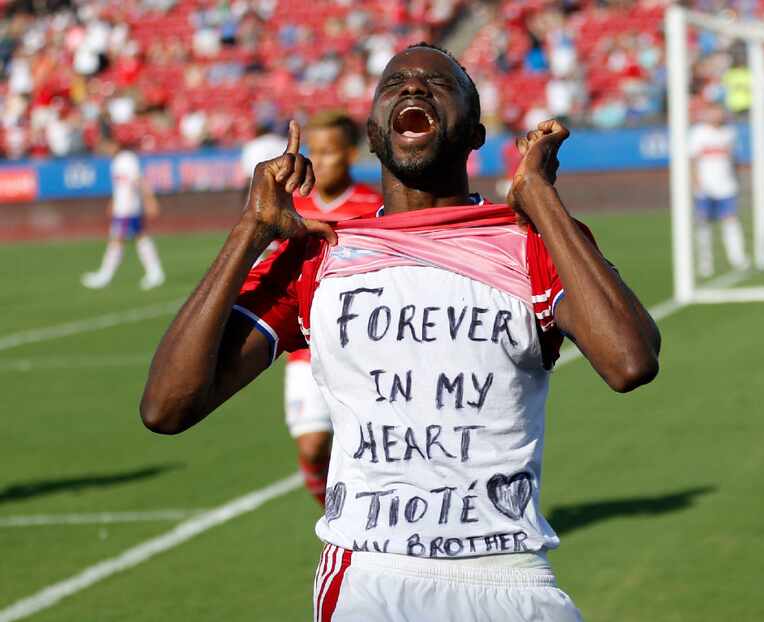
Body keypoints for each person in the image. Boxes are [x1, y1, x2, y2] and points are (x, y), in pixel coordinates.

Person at [141, 43, 660, 621]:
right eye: (396, 83)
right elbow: (168, 407)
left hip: (510, 577)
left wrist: (541, 198)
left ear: (475, 134)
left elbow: (629, 361)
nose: (413, 88)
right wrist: (249, 232)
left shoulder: (528, 240)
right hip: (370, 581)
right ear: (372, 132)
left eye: (437, 83)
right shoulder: (320, 257)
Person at [281, 111, 383, 506]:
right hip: (307, 345)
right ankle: (330, 512)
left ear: (352, 155)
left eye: (330, 153)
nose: (320, 162)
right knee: (312, 446)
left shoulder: (373, 206)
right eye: (314, 153)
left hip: (362, 346)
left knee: (369, 452)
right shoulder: (292, 206)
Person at [82, 138, 165, 290]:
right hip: (124, 207)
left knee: (117, 240)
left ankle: (105, 275)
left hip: (128, 209)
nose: (103, 150)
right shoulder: (117, 162)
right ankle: (155, 272)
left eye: (105, 145)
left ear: (114, 144)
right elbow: (121, 186)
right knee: (141, 238)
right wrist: (113, 202)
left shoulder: (126, 159)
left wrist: (149, 200)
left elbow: (139, 181)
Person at [689, 103, 749, 278]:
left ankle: (737, 258)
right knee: (703, 223)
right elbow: (692, 160)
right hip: (705, 187)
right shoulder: (698, 133)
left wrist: (737, 179)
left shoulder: (730, 133)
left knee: (730, 221)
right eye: (713, 113)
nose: (717, 116)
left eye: (719, 113)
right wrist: (695, 181)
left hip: (727, 185)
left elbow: (734, 159)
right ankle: (705, 263)